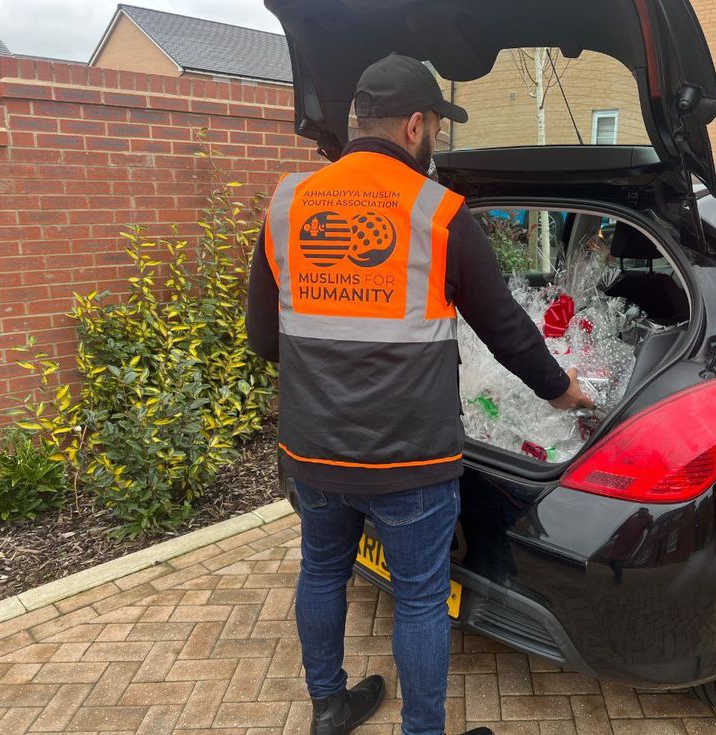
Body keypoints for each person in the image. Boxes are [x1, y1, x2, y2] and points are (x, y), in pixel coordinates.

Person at [246, 52, 594, 735]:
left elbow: (264, 337)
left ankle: (328, 706)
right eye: (436, 123)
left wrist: (333, 360)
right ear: (413, 125)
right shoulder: (439, 214)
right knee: (419, 600)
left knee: (321, 573)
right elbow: (507, 333)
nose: (436, 135)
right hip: (408, 462)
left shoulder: (287, 203)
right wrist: (564, 392)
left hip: (313, 451)